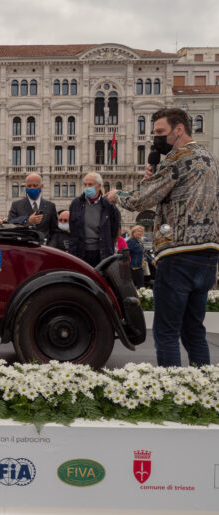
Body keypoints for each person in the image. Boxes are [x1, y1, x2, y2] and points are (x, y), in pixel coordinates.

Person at [107, 107, 219, 367]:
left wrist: (117, 196)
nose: (156, 138)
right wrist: (154, 178)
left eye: (160, 132)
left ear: (179, 129)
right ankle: (202, 387)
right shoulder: (209, 158)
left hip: (178, 254)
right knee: (194, 330)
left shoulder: (177, 158)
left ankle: (171, 390)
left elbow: (142, 200)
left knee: (166, 332)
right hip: (208, 255)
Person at [69, 172, 120, 267]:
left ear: (99, 186)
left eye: (90, 184)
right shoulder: (76, 203)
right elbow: (73, 229)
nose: (87, 187)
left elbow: (114, 229)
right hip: (80, 253)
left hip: (101, 254)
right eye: (85, 184)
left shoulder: (108, 206)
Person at [7, 173, 58, 242]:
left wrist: (51, 247)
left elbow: (54, 232)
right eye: (29, 186)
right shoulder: (16, 205)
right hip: (24, 248)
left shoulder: (50, 206)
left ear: (41, 186)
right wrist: (28, 221)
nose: (32, 188)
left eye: (35, 185)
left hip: (44, 249)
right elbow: (10, 224)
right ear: (25, 187)